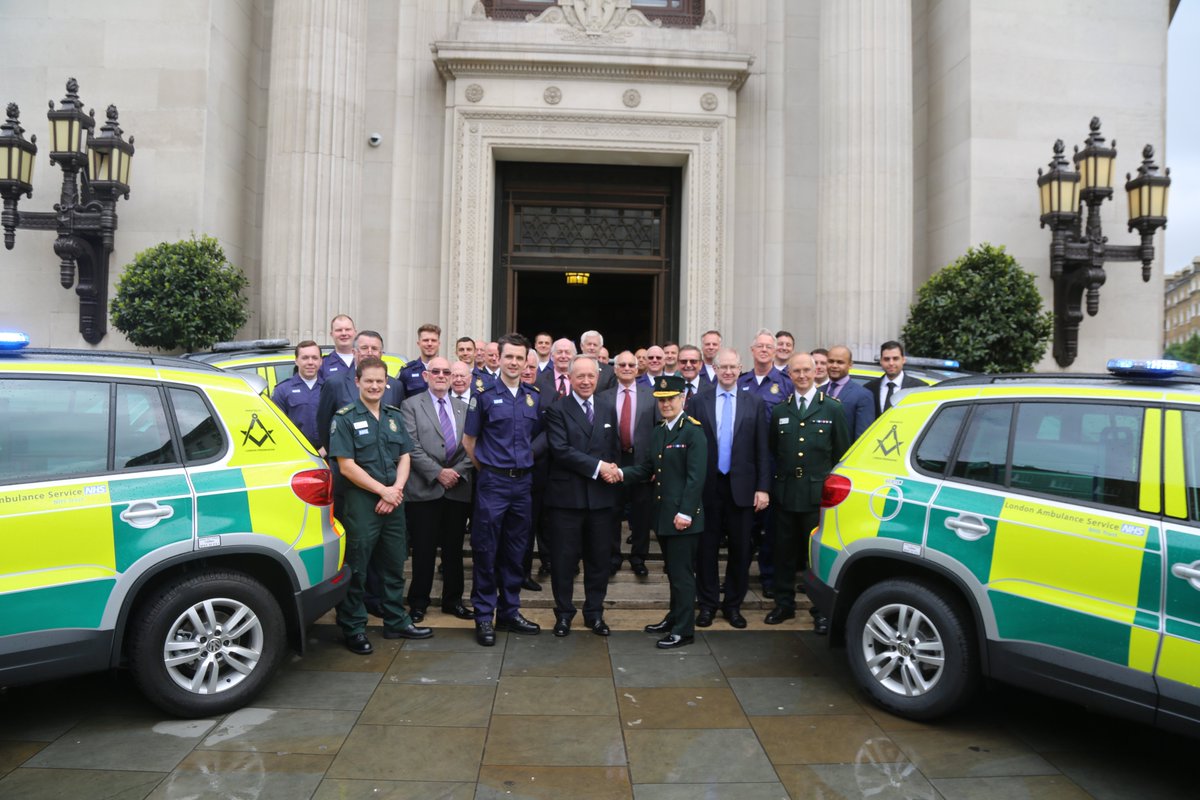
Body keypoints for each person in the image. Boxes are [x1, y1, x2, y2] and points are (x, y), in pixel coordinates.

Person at [328, 356, 432, 654]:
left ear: (386, 383)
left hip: (394, 500)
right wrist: (382, 491)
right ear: (357, 382)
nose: (375, 386)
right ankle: (353, 626)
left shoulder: (393, 415)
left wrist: (396, 490)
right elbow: (346, 466)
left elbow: (405, 456)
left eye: (379, 381)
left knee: (394, 564)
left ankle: (396, 620)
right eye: (369, 381)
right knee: (358, 567)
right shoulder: (344, 418)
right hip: (362, 501)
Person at [462, 333, 544, 646]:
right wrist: (489, 470)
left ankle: (510, 611)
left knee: (516, 550)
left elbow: (529, 438)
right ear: (500, 357)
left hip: (523, 483)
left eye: (519, 358)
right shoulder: (482, 393)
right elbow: (469, 442)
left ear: (526, 362)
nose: (513, 362)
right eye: (508, 356)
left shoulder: (532, 396)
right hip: (493, 482)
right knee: (486, 548)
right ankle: (484, 615)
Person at [619, 375, 707, 649]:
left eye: (670, 399)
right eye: (661, 400)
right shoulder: (660, 431)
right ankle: (673, 617)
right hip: (664, 514)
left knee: (682, 576)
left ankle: (684, 630)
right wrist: (619, 472)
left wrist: (686, 513)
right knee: (673, 572)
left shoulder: (693, 431)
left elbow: (696, 478)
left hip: (683, 518)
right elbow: (648, 469)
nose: (666, 404)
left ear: (683, 398)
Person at [685, 347, 769, 629]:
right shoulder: (698, 401)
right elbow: (690, 446)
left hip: (742, 488)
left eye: (734, 367)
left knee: (740, 549)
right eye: (724, 367)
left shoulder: (753, 403)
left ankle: (733, 605)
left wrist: (763, 488)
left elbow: (762, 449)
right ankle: (707, 604)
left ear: (740, 368)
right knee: (705, 549)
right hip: (707, 487)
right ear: (715, 369)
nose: (729, 372)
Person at [765, 352, 849, 630]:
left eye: (806, 370)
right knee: (784, 553)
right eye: (796, 371)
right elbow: (774, 451)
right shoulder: (780, 410)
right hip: (786, 493)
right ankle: (784, 605)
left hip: (817, 497)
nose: (801, 376)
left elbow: (841, 455)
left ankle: (821, 611)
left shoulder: (832, 409)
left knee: (817, 557)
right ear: (788, 375)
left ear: (816, 372)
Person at [543, 354, 621, 637]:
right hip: (567, 499)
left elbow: (614, 450)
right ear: (571, 378)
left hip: (600, 499)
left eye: (591, 376)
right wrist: (600, 467)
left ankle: (595, 613)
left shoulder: (606, 407)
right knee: (564, 561)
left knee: (599, 560)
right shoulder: (557, 409)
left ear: (598, 377)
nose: (586, 381)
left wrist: (613, 472)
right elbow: (561, 450)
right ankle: (563, 614)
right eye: (580, 376)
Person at [401, 356, 475, 623]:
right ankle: (418, 602)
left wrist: (457, 472)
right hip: (424, 490)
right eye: (436, 371)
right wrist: (438, 473)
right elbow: (410, 445)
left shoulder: (463, 407)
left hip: (457, 489)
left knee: (454, 550)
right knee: (423, 550)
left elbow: (472, 444)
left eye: (447, 371)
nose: (442, 375)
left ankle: (452, 601)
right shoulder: (410, 405)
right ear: (426, 376)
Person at [599, 350, 655, 577]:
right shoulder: (603, 396)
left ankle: (639, 557)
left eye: (631, 364)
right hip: (614, 461)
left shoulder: (651, 396)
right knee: (613, 511)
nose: (627, 368)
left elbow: (658, 432)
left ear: (638, 368)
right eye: (622, 364)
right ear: (615, 368)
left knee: (642, 513)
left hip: (641, 461)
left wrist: (655, 466)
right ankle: (613, 558)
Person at [271, 340, 324, 451]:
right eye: (305, 358)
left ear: (321, 361)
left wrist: (323, 451)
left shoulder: (330, 388)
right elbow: (277, 428)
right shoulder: (282, 390)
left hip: (328, 455)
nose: (310, 362)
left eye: (314, 358)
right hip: (296, 453)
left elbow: (339, 427)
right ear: (296, 361)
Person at [824, 345, 876, 439]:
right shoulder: (817, 392)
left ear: (850, 364)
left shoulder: (863, 395)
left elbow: (862, 437)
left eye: (840, 362)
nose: (834, 366)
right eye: (831, 361)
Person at [863, 340, 924, 417]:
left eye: (895, 358)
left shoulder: (920, 388)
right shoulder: (869, 389)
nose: (891, 363)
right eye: (886, 359)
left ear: (903, 360)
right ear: (881, 361)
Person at [399, 323, 441, 397]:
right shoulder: (407, 372)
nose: (429, 344)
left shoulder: (447, 371)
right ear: (418, 343)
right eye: (425, 340)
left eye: (433, 340)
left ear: (439, 343)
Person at [319, 314, 357, 381]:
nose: (344, 333)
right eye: (339, 330)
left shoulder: (366, 361)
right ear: (331, 334)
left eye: (348, 329)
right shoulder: (322, 364)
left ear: (355, 332)